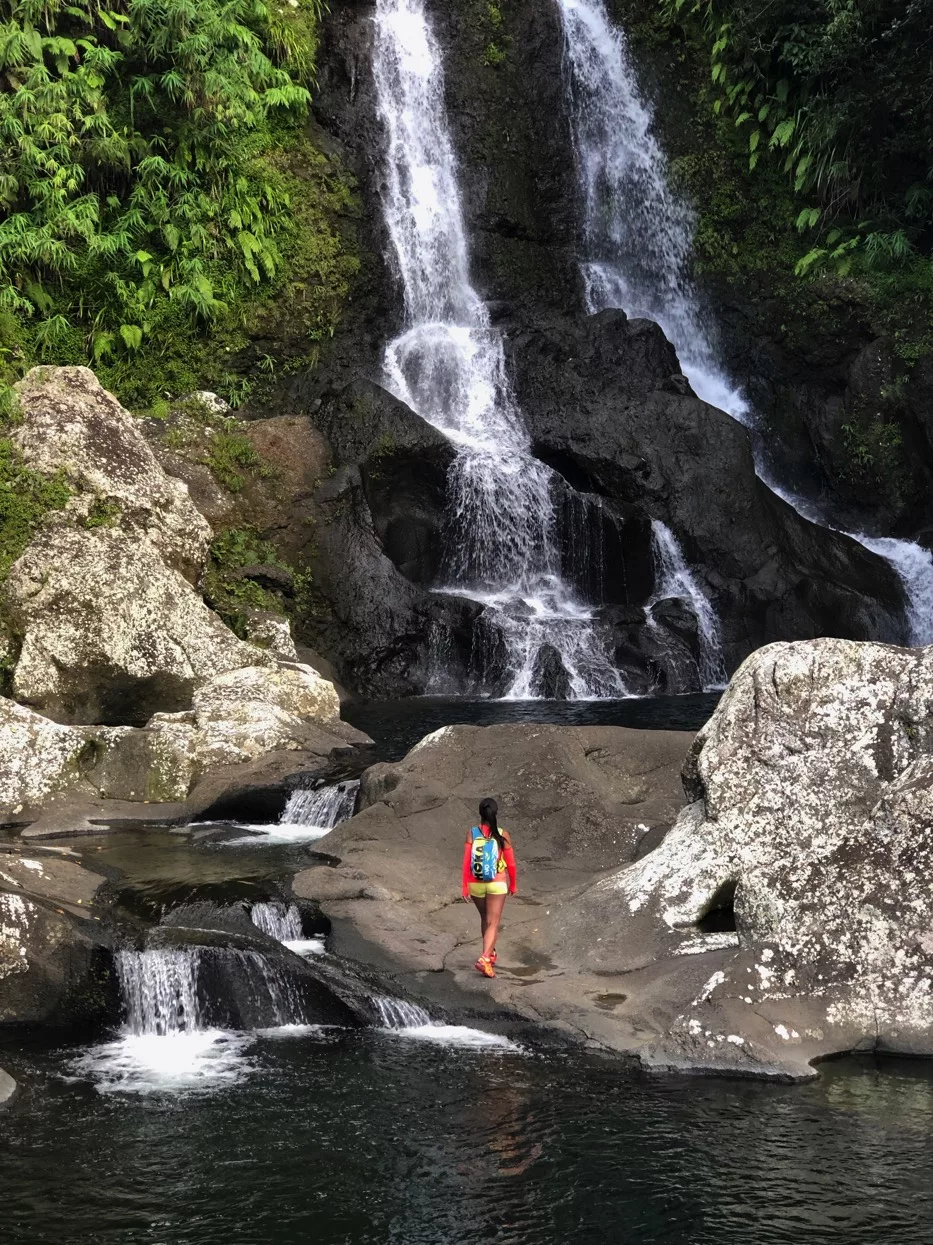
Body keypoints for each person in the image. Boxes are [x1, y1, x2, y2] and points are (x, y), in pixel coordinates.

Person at [461, 796, 517, 978]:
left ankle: (491, 954)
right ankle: (485, 958)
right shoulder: (502, 834)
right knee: (493, 922)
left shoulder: (472, 833)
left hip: (476, 884)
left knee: (485, 919)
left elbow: (466, 862)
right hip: (496, 884)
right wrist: (513, 884)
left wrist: (465, 888)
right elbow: (511, 863)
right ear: (495, 813)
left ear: (480, 813)